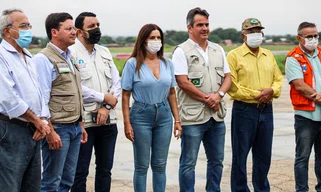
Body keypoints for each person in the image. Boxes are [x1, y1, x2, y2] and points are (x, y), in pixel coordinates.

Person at [0, 9, 51, 191]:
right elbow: (8, 99)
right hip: (9, 130)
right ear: (7, 31)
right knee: (9, 186)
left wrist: (43, 120)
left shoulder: (28, 56)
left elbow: (39, 94)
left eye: (29, 26)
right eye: (23, 26)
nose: (28, 30)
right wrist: (38, 121)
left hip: (32, 130)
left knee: (31, 186)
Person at [172, 7, 231, 192]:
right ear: (190, 28)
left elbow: (228, 77)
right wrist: (208, 98)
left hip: (216, 117)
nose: (205, 28)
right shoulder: (181, 51)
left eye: (206, 24)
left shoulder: (218, 49)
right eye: (200, 25)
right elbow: (183, 82)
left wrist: (219, 95)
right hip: (193, 119)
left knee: (217, 161)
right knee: (188, 163)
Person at [121, 23, 182, 192]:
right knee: (141, 165)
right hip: (141, 115)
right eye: (152, 38)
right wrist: (127, 123)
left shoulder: (167, 63)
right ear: (143, 41)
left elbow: (171, 93)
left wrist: (177, 120)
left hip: (163, 114)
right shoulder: (133, 64)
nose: (156, 41)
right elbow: (125, 95)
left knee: (160, 164)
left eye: (158, 38)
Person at [227, 18, 283, 191]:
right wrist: (258, 94)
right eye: (251, 32)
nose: (255, 35)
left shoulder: (268, 55)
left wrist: (272, 91)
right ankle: (240, 189)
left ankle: (261, 188)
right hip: (244, 110)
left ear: (263, 34)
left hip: (266, 111)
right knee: (240, 156)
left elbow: (278, 79)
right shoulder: (234, 55)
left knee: (263, 156)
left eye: (258, 31)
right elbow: (233, 86)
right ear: (244, 36)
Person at [34, 12, 87, 191]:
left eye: (74, 28)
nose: (74, 32)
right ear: (54, 32)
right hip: (57, 128)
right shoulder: (43, 59)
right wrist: (49, 131)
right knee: (51, 181)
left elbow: (75, 91)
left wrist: (80, 123)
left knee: (67, 181)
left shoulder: (69, 56)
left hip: (73, 127)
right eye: (69, 28)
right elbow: (41, 98)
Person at [70, 12, 121, 192]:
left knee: (105, 170)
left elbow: (117, 83)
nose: (96, 29)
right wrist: (102, 98)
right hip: (84, 123)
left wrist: (106, 106)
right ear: (79, 31)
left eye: (98, 25)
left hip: (107, 120)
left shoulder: (104, 51)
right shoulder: (71, 53)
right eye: (91, 26)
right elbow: (75, 87)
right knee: (79, 171)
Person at [285, 22, 321, 192]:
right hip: (306, 116)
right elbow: (299, 85)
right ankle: (302, 190)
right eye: (309, 36)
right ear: (299, 38)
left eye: (315, 35)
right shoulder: (293, 58)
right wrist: (318, 97)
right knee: (303, 157)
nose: (313, 39)